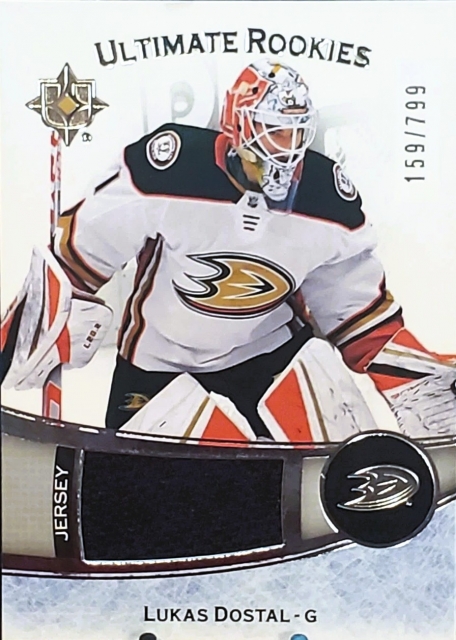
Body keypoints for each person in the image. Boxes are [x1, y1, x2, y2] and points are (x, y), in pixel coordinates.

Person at [1, 59, 454, 437]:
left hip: (269, 357)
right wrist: (43, 322)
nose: (287, 148)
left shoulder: (325, 198)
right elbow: (80, 254)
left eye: (295, 132)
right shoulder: (173, 169)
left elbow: (358, 315)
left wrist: (416, 379)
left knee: (323, 471)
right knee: (139, 489)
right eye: (273, 130)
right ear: (237, 124)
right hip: (161, 363)